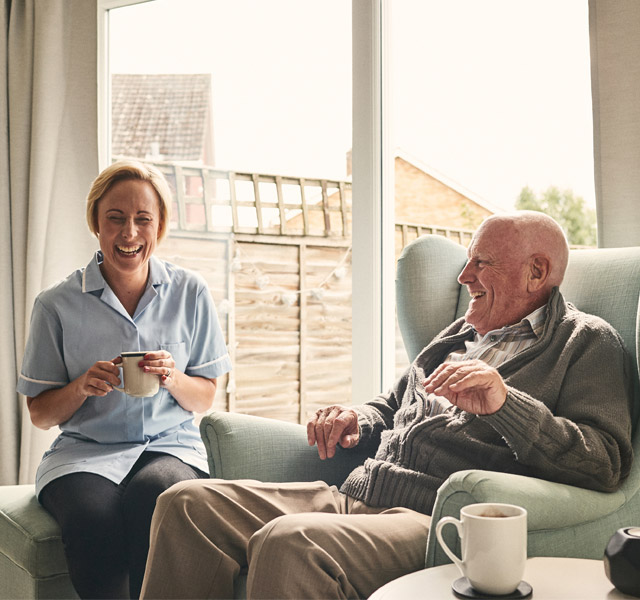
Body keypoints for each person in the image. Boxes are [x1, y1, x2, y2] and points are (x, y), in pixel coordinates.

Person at [139, 211, 634, 600]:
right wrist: (359, 418)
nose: (464, 276)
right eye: (467, 261)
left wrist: (505, 403)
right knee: (185, 504)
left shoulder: (585, 343)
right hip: (357, 494)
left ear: (536, 272)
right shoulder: (459, 334)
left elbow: (605, 462)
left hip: (433, 517)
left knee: (291, 542)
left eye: (482, 263)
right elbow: (395, 400)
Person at [17, 160, 232, 599]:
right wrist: (80, 387)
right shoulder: (55, 305)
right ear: (96, 222)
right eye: (115, 218)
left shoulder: (191, 292)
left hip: (169, 446)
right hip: (84, 453)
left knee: (157, 499)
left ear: (160, 226)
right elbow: (39, 413)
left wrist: (171, 377)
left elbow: (206, 395)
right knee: (92, 520)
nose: (129, 233)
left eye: (142, 219)